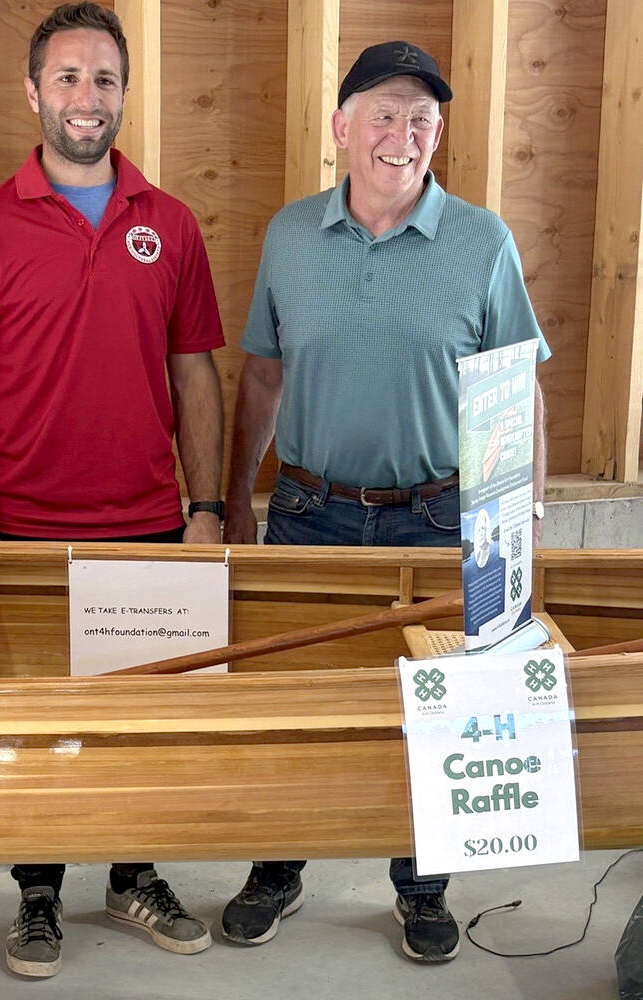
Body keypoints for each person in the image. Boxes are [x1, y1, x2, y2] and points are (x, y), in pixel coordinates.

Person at [220, 40, 551, 963]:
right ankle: (278, 868)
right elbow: (260, 374)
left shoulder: (483, 241)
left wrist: (521, 519)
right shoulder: (290, 235)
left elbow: (518, 385)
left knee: (441, 713)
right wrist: (233, 496)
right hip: (307, 513)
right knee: (298, 706)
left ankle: (422, 886)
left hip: (444, 519)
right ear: (342, 127)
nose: (401, 135)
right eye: (383, 113)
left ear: (437, 132)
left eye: (421, 118)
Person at [0, 2, 224, 980]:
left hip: (145, 527)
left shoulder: (169, 223)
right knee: (38, 730)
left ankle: (132, 873)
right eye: (66, 77)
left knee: (140, 725)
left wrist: (205, 508)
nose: (84, 97)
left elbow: (195, 374)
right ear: (31, 92)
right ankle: (37, 890)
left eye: (102, 79)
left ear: (123, 94)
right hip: (22, 532)